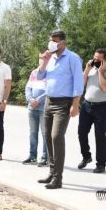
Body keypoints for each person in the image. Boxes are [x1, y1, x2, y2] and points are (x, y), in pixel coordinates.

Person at [36, 30, 83, 189]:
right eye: (50, 40)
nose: (51, 43)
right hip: (49, 101)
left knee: (57, 136)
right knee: (47, 136)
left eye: (54, 40)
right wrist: (43, 61)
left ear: (63, 42)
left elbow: (78, 83)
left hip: (64, 103)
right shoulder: (50, 58)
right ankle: (51, 172)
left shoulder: (73, 58)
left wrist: (75, 105)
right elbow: (40, 77)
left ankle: (58, 178)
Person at [77, 48, 106, 174]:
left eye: (99, 60)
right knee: (81, 132)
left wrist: (100, 71)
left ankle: (101, 164)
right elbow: (82, 84)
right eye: (94, 58)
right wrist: (87, 69)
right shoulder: (91, 68)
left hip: (103, 107)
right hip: (87, 105)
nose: (95, 61)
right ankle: (86, 156)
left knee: (100, 135)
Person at [23, 50, 48, 167]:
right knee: (33, 133)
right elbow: (28, 88)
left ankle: (45, 158)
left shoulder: (51, 73)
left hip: (43, 108)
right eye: (40, 58)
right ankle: (32, 157)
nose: (41, 60)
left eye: (43, 58)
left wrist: (38, 100)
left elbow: (50, 91)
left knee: (45, 134)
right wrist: (30, 99)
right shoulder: (34, 72)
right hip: (32, 107)